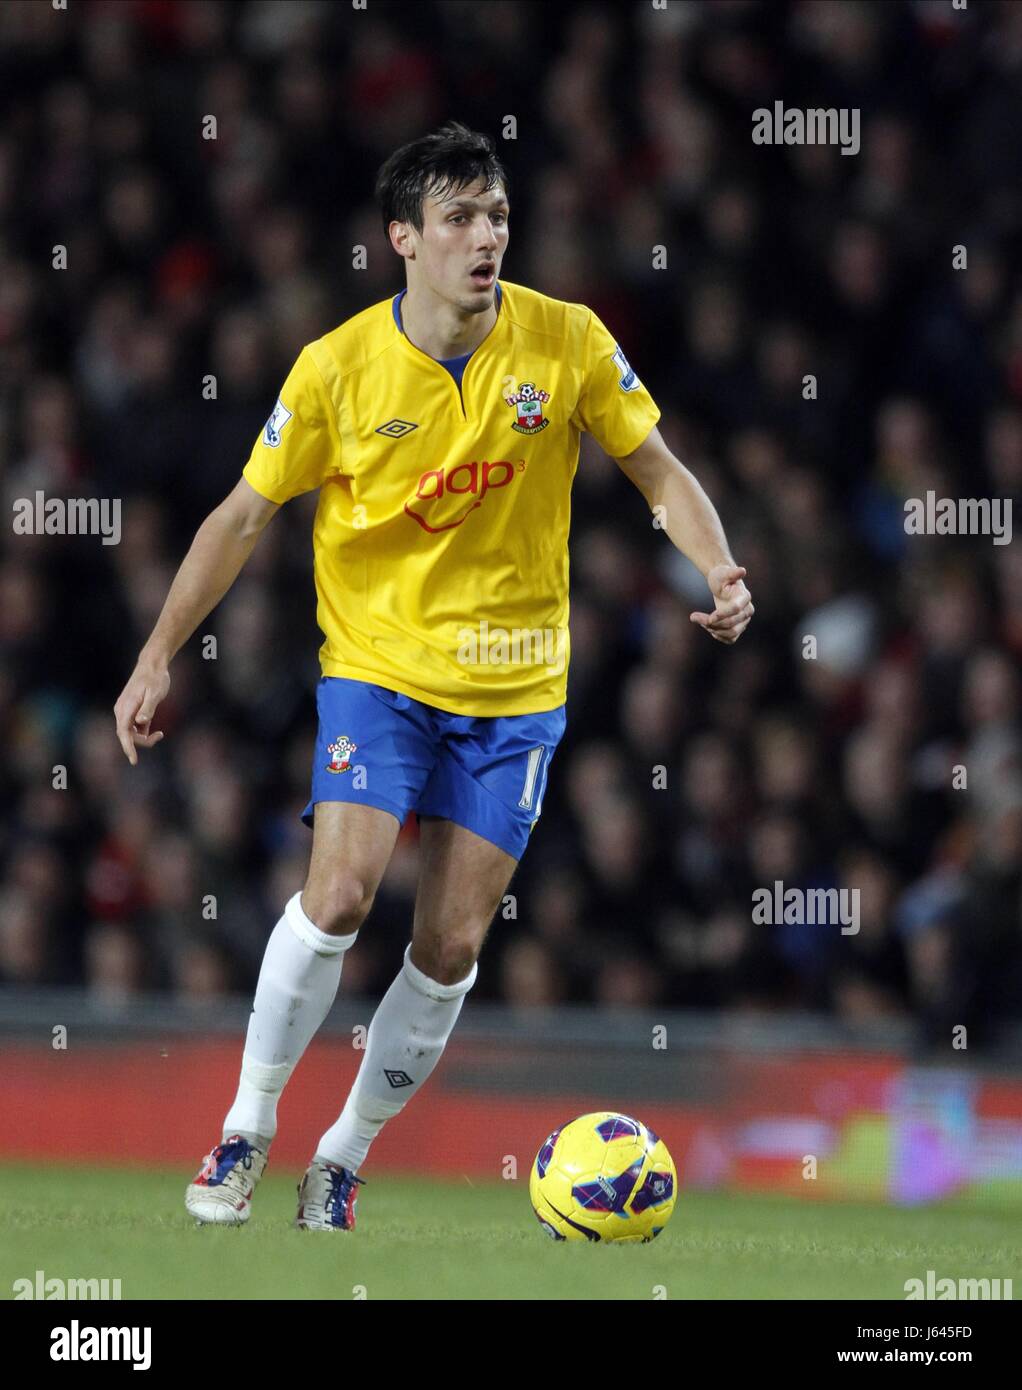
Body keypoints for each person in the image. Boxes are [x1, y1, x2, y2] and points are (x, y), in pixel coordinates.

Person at [112, 121, 753, 1232]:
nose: (485, 235)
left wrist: (717, 562)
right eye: (458, 216)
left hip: (514, 692)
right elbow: (243, 514)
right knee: (342, 892)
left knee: (450, 942)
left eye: (496, 214)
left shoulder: (566, 342)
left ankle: (342, 1157)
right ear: (401, 237)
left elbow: (656, 468)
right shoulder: (337, 369)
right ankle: (244, 1131)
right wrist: (158, 651)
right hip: (378, 671)